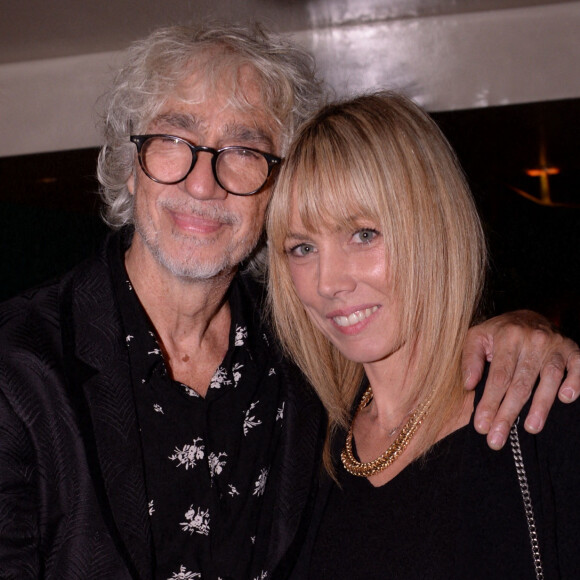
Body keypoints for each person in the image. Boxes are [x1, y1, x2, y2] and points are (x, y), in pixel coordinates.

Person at [0, 24, 578, 580]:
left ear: (278, 187)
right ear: (131, 167)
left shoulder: (304, 368)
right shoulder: (20, 367)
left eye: (244, 150)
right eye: (173, 141)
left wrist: (523, 329)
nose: (204, 183)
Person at [266, 90, 580, 579]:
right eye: (302, 247)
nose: (329, 282)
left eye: (363, 234)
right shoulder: (304, 449)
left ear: (433, 228)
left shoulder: (540, 412)